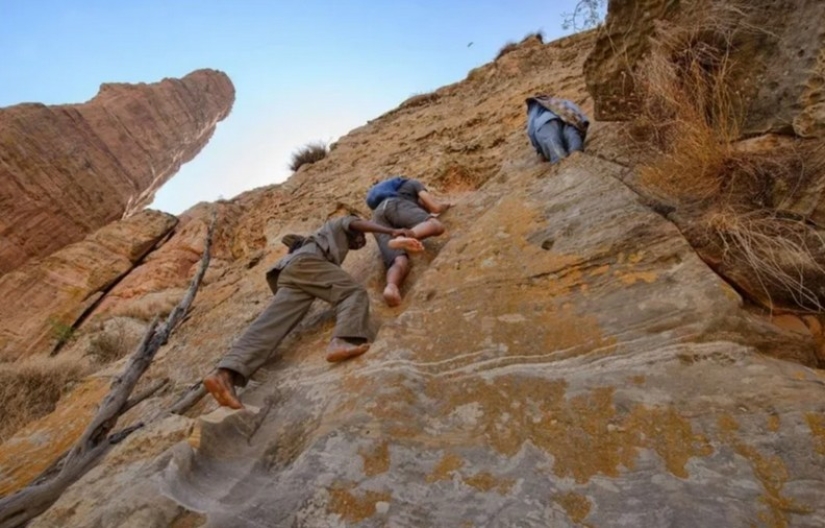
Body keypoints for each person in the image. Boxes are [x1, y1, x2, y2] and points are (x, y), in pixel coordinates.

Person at [203, 215, 424, 409]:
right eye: (360, 239)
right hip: (305, 264)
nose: (361, 242)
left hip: (287, 273)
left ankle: (225, 374)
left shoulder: (315, 244)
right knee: (353, 292)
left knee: (270, 326)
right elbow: (356, 222)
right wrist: (390, 231)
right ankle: (343, 340)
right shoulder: (338, 224)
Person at [371, 178, 452, 307]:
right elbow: (434, 207)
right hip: (396, 205)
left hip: (377, 219)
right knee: (435, 225)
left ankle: (391, 287)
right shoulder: (413, 183)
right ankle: (406, 235)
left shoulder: (386, 195)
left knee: (399, 260)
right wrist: (446, 205)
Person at [525, 95, 590, 164]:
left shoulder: (533, 109)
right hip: (566, 117)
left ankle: (562, 163)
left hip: (545, 122)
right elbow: (577, 112)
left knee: (555, 146)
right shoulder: (559, 101)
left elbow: (531, 131)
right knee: (573, 136)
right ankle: (577, 155)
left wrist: (539, 150)